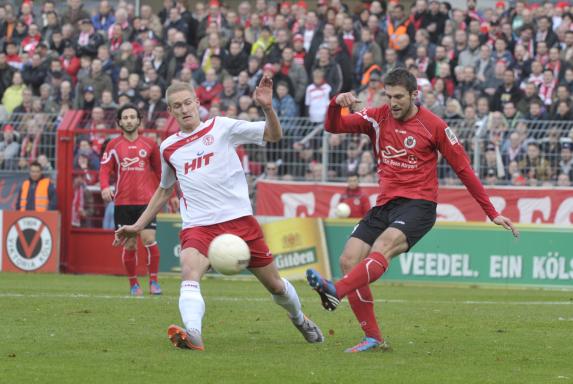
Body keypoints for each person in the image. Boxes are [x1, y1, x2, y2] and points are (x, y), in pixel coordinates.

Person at [306, 68, 519, 353]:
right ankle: (373, 338)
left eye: (399, 97)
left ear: (414, 95)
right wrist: (335, 104)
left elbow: (464, 169)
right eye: (388, 96)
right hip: (385, 205)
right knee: (348, 259)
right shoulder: (376, 117)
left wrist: (491, 212)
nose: (393, 102)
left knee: (382, 246)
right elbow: (334, 126)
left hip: (419, 205)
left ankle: (337, 291)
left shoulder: (435, 126)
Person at [114, 76, 324, 351]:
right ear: (171, 111)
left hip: (239, 221)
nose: (185, 109)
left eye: (188, 102)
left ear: (197, 103)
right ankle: (193, 334)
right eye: (177, 106)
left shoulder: (222, 127)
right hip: (198, 225)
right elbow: (164, 191)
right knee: (189, 272)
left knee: (275, 286)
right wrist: (138, 225)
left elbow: (273, 135)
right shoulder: (169, 148)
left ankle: (299, 318)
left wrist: (268, 109)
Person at [99, 104, 163, 296]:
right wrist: (104, 187)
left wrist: (171, 194)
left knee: (149, 239)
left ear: (138, 120)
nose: (128, 120)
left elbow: (160, 172)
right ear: (119, 122)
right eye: (125, 117)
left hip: (146, 201)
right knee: (130, 244)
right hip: (123, 202)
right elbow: (104, 169)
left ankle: (154, 281)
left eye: (132, 117)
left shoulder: (150, 144)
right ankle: (134, 284)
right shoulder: (113, 145)